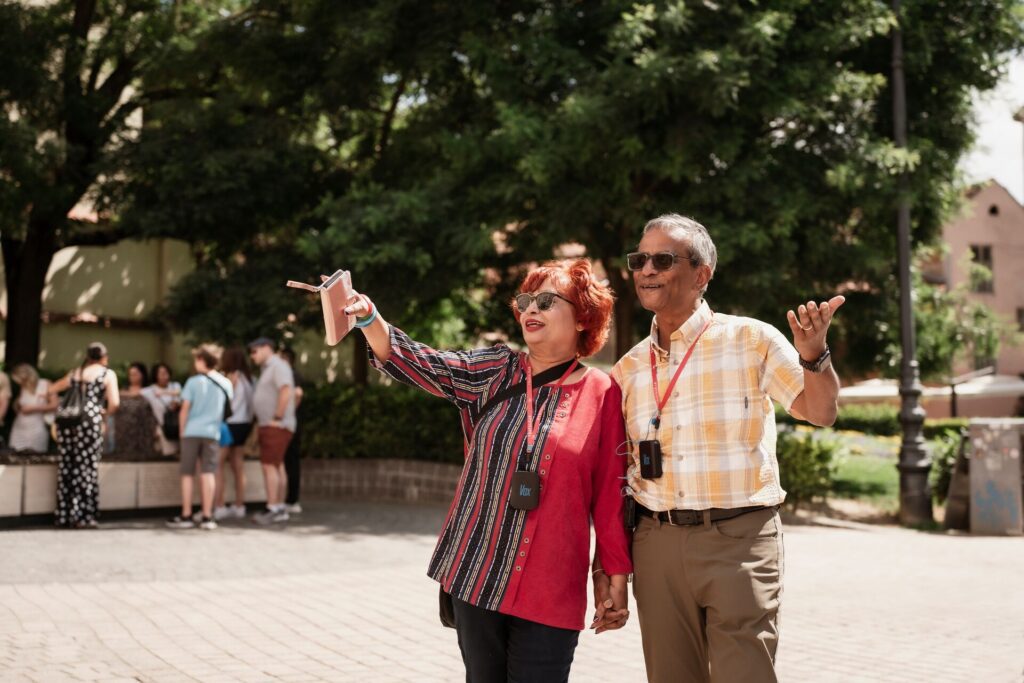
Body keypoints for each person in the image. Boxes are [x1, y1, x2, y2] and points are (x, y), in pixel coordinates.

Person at [344, 258, 632, 682]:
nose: (530, 310)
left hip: (552, 588)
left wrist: (614, 575)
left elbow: (611, 496)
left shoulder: (602, 392)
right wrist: (369, 318)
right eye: (525, 301)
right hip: (479, 570)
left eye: (546, 301)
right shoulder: (496, 369)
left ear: (583, 317)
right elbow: (426, 364)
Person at [609, 214, 843, 683]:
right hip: (655, 543)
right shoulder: (628, 368)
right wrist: (609, 570)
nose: (646, 270)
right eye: (640, 260)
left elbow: (820, 412)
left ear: (701, 274)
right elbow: (615, 477)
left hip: (740, 539)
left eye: (662, 259)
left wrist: (814, 356)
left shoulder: (752, 339)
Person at [47, 342, 120, 529]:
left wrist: (56, 403)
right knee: (86, 467)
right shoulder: (107, 374)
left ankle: (64, 514)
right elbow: (115, 403)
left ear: (88, 357)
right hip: (89, 422)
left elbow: (52, 389)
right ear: (104, 357)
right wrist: (103, 412)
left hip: (67, 421)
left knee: (67, 466)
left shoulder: (76, 373)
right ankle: (84, 516)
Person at [166, 345, 233, 531]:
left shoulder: (193, 382)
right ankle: (207, 516)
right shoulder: (225, 383)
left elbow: (184, 409)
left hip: (191, 432)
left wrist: (181, 433)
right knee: (208, 473)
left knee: (187, 473)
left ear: (202, 360)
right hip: (213, 432)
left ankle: (186, 514)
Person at [248, 338, 295, 524]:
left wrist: (277, 417)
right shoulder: (269, 368)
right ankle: (279, 507)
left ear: (267, 348)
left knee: (269, 466)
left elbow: (286, 390)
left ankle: (273, 507)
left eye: (254, 351)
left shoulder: (277, 365)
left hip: (275, 425)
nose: (252, 356)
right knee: (276, 465)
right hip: (274, 424)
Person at [213, 346, 254, 520]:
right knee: (238, 465)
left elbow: (225, 400)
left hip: (230, 424)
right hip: (244, 424)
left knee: (218, 465)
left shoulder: (232, 377)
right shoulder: (248, 378)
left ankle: (219, 505)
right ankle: (239, 505)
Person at [112, 362, 158, 458]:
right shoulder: (123, 390)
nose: (132, 377)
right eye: (131, 374)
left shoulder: (150, 390)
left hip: (144, 432)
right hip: (124, 432)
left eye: (135, 374)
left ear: (142, 375)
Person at [8, 364, 58, 453]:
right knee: (14, 456)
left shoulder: (45, 384)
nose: (19, 383)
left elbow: (55, 404)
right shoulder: (24, 386)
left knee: (34, 457)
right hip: (19, 429)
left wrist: (34, 408)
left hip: (36, 429)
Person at [279, 348, 304, 514]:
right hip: (294, 423)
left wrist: (286, 412)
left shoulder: (290, 375)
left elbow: (297, 394)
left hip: (290, 424)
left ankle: (290, 500)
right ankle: (289, 499)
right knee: (289, 461)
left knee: (288, 461)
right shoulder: (292, 374)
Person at [141, 363, 182, 456]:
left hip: (178, 425)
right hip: (164, 426)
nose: (165, 376)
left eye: (166, 373)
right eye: (161, 373)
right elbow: (135, 393)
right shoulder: (149, 391)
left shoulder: (175, 386)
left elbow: (182, 394)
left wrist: (164, 393)